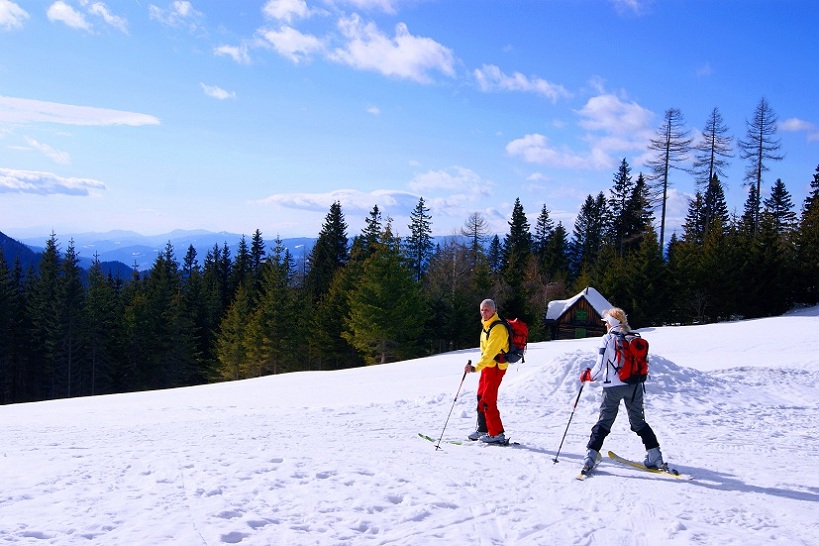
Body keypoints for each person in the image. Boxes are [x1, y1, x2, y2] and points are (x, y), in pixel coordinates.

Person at [579, 307, 665, 472]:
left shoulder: (608, 338)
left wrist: (587, 376)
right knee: (638, 422)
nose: (605, 326)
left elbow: (599, 368)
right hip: (635, 386)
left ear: (611, 323)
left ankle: (590, 456)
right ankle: (655, 456)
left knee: (604, 422)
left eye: (606, 323)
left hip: (613, 387)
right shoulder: (634, 337)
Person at [464, 298, 510, 444]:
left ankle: (497, 434)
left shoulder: (498, 329)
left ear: (494, 311)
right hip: (488, 366)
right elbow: (485, 352)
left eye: (487, 310)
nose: (484, 313)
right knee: (480, 397)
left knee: (488, 400)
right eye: (482, 310)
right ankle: (483, 429)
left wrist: (475, 367)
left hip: (496, 367)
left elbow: (490, 352)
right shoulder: (486, 327)